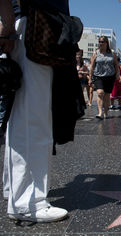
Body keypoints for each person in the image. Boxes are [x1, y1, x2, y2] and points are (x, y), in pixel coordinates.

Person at [2, 0, 71, 222]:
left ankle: (13, 190)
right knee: (33, 116)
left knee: (25, 112)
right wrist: (7, 20)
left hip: (37, 22)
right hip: (34, 22)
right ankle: (27, 202)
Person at [89, 36, 119, 119]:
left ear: (106, 43)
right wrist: (90, 78)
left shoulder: (112, 53)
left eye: (102, 42)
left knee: (107, 96)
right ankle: (100, 112)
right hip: (98, 76)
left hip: (109, 76)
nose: (101, 43)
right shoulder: (96, 53)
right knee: (100, 93)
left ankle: (106, 112)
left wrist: (117, 74)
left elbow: (116, 65)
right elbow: (91, 66)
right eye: (100, 41)